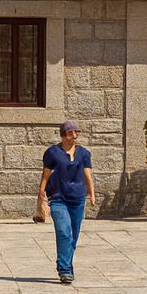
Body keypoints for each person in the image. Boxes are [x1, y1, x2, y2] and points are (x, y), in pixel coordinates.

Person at [35, 120, 96, 284]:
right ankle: (65, 269)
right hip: (57, 198)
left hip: (77, 199)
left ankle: (66, 263)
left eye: (76, 133)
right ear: (63, 134)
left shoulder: (84, 153)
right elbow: (45, 176)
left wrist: (92, 192)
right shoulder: (52, 153)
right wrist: (42, 197)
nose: (74, 136)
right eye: (70, 133)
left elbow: (87, 174)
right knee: (63, 232)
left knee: (73, 236)